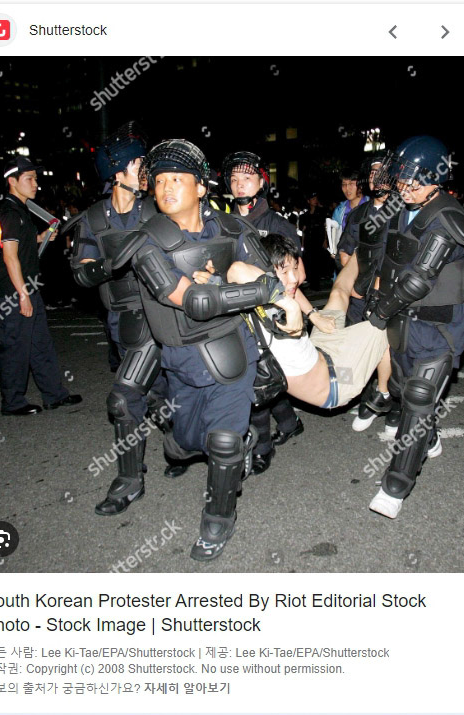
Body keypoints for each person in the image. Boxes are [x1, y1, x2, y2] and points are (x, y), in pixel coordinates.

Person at [113, 139, 302, 561]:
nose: (166, 188)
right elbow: (194, 301)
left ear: (201, 187)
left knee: (222, 442)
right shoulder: (146, 241)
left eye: (177, 179)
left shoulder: (233, 228)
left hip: (231, 351)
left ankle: (218, 520)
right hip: (181, 359)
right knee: (181, 443)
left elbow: (264, 273)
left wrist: (273, 293)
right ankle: (234, 441)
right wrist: (239, 287)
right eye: (160, 181)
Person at [363, 137, 464, 518]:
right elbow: (389, 259)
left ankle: (395, 486)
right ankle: (429, 437)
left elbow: (419, 279)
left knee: (418, 401)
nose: (405, 187)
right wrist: (374, 295)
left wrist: (380, 311)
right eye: (401, 179)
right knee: (401, 389)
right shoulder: (403, 208)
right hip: (404, 322)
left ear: (437, 179)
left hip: (437, 326)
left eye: (415, 181)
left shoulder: (445, 217)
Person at [70, 122, 174, 516]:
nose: (145, 170)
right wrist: (108, 265)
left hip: (160, 319)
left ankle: (129, 482)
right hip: (122, 324)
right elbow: (81, 273)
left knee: (124, 398)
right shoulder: (94, 220)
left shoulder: (157, 209)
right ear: (117, 172)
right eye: (138, 164)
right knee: (161, 397)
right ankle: (183, 447)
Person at [222, 151, 334, 473]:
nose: (240, 185)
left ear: (261, 183)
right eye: (234, 179)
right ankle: (289, 422)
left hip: (273, 313)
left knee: (258, 379)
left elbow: (296, 277)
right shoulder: (224, 224)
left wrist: (309, 314)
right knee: (266, 375)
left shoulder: (277, 224)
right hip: (237, 312)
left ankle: (262, 448)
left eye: (247, 178)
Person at [207, 234, 389, 409]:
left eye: (295, 268)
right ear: (266, 272)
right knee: (382, 326)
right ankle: (383, 394)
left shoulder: (271, 290)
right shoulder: (262, 298)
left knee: (338, 293)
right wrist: (291, 306)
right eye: (285, 272)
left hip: (320, 350)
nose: (294, 278)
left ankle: (359, 249)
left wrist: (313, 315)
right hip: (337, 384)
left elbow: (288, 288)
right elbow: (236, 269)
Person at [0, 156, 81, 416]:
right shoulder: (10, 212)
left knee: (40, 344)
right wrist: (22, 295)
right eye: (29, 179)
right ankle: (12, 402)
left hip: (28, 287)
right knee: (15, 348)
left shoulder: (21, 209)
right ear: (12, 181)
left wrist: (42, 237)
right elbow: (10, 257)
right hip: (13, 292)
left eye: (35, 179)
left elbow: (23, 243)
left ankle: (54, 394)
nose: (35, 184)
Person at [334, 154, 396, 432]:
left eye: (381, 173)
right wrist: (353, 282)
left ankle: (395, 405)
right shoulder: (359, 213)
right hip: (361, 294)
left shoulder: (404, 211)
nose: (375, 179)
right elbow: (345, 249)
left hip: (393, 295)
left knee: (393, 349)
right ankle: (367, 399)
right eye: (371, 174)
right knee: (358, 345)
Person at [332, 167, 368, 265]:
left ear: (361, 185)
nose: (347, 189)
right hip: (344, 261)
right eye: (344, 184)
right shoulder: (339, 211)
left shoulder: (371, 206)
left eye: (351, 184)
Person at [299, 190, 332, 290]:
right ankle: (312, 282)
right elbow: (304, 231)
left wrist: (325, 240)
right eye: (313, 199)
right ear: (309, 201)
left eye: (316, 199)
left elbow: (325, 227)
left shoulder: (321, 212)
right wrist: (302, 244)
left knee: (317, 261)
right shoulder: (305, 215)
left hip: (318, 239)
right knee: (310, 261)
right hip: (309, 240)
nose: (315, 200)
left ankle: (316, 283)